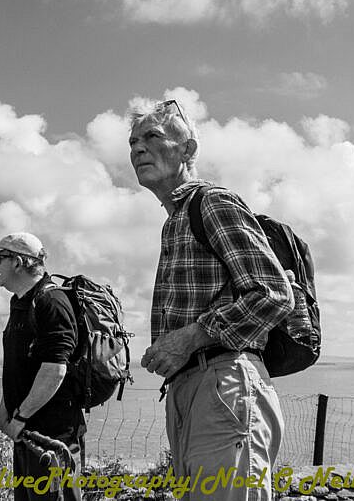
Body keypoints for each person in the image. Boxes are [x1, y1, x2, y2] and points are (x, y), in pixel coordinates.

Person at [128, 99, 293, 501]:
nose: (137, 149)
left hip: (223, 382)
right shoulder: (175, 221)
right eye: (133, 142)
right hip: (196, 388)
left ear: (188, 151)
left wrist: (187, 339)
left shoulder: (212, 202)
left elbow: (273, 294)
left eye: (151, 137)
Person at [0, 232, 83, 501]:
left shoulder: (52, 302)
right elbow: (19, 368)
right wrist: (8, 412)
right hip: (28, 433)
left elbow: (55, 370)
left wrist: (19, 418)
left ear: (17, 262)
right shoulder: (20, 303)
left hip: (53, 437)